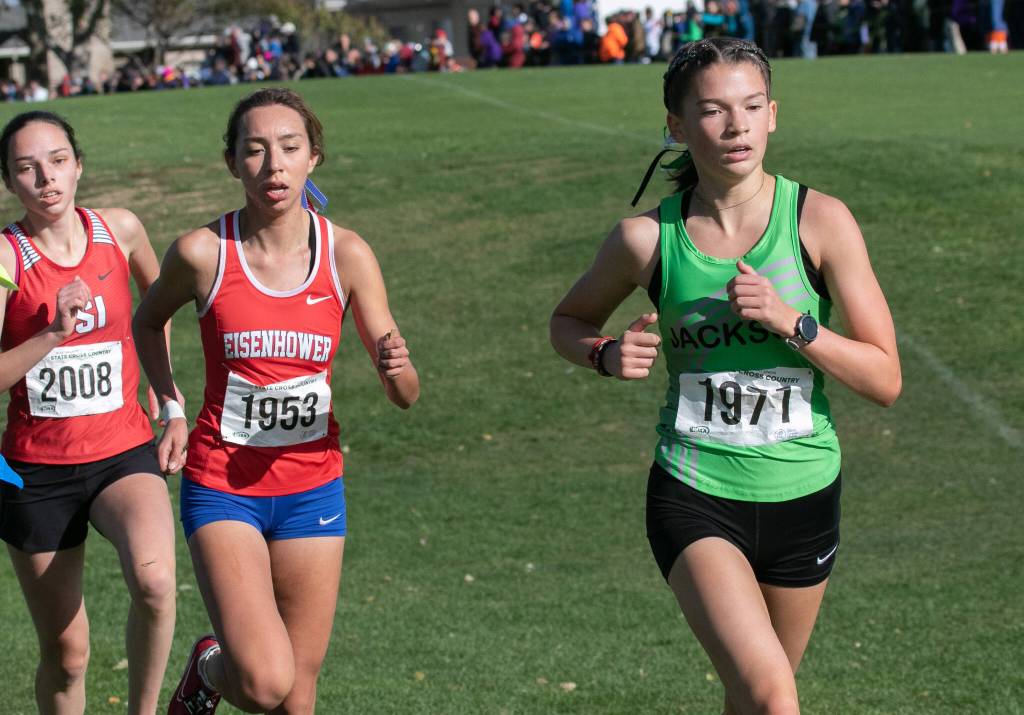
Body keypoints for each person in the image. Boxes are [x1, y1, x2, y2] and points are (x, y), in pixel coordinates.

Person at [549, 38, 900, 714]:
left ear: (774, 115)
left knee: (754, 698)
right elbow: (567, 320)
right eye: (713, 111)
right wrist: (604, 353)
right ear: (677, 127)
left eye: (751, 106)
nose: (737, 126)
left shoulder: (820, 221)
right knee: (773, 696)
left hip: (805, 492)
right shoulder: (646, 240)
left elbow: (885, 378)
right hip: (696, 491)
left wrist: (791, 321)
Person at [133, 87, 419, 715]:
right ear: (232, 162)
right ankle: (211, 668)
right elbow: (146, 321)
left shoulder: (347, 254)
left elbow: (404, 395)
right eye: (255, 149)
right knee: (265, 682)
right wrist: (171, 406)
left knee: (298, 693)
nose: (273, 165)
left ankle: (219, 670)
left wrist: (397, 370)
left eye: (289, 147)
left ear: (313, 157)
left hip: (312, 488)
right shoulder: (203, 252)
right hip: (222, 485)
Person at [0, 110, 177, 715]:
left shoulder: (120, 229)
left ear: (78, 166)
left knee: (156, 584)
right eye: (26, 168)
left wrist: (166, 393)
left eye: (57, 161)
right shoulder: (6, 257)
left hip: (122, 452)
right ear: (10, 181)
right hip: (35, 472)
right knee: (67, 655)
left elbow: (157, 307)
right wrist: (52, 333)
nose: (45, 178)